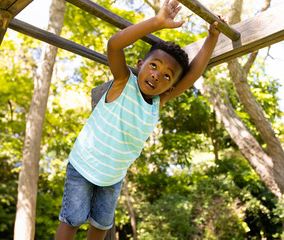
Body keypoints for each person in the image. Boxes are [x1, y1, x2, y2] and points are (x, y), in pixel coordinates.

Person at [55, 0, 222, 239]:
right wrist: (157, 22)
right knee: (72, 220)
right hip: (84, 165)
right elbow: (114, 45)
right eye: (154, 65)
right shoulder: (124, 81)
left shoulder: (158, 102)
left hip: (112, 176)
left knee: (101, 225)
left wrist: (212, 38)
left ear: (171, 86)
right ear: (140, 64)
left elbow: (193, 73)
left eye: (167, 76)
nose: (157, 75)